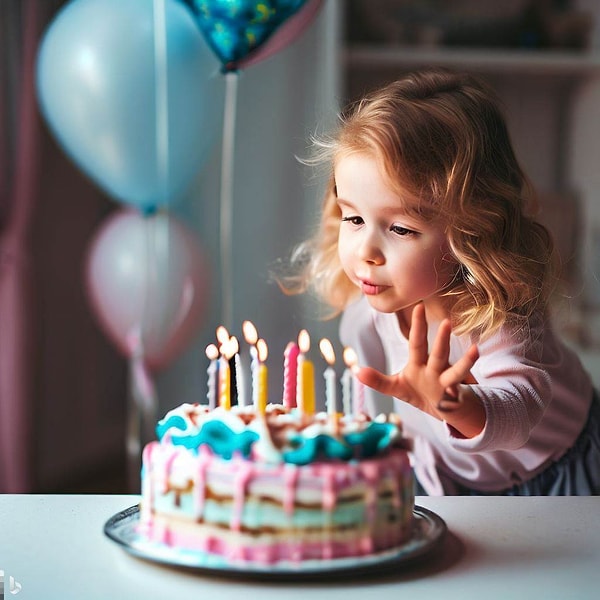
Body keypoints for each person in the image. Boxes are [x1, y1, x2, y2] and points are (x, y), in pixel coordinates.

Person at [282, 68, 600, 495]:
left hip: (558, 471)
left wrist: (454, 404)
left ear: (470, 231)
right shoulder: (363, 319)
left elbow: (521, 405)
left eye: (400, 229)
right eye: (353, 218)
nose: (366, 252)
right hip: (452, 478)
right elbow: (382, 404)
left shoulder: (497, 316)